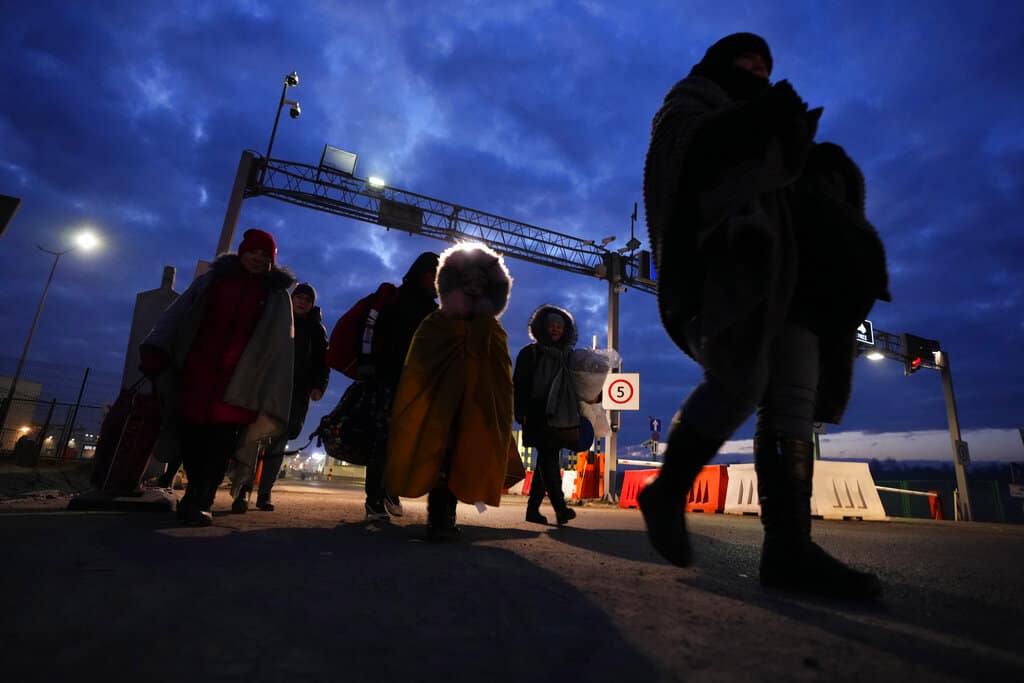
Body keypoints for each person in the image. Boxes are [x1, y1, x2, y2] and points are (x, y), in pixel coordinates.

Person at [641, 33, 890, 600]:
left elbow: (793, 194)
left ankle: (788, 549)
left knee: (793, 401)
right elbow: (686, 163)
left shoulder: (777, 127)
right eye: (747, 60)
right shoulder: (689, 104)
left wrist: (823, 172)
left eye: (765, 65)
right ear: (718, 64)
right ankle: (668, 489)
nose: (758, 70)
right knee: (741, 378)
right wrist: (762, 126)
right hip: (728, 271)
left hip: (794, 282)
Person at [140, 228, 295, 526]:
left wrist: (270, 385)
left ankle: (203, 499)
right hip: (197, 373)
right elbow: (178, 314)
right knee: (191, 435)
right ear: (242, 252)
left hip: (242, 382)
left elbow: (280, 346)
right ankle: (194, 492)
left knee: (221, 442)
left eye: (265, 255)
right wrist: (156, 347)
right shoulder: (213, 281)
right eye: (253, 252)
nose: (258, 258)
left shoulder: (276, 296)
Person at [384, 243, 518, 541]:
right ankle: (440, 521)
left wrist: (492, 412)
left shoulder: (493, 330)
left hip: (474, 409)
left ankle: (446, 518)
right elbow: (418, 367)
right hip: (439, 408)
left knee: (462, 459)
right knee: (440, 460)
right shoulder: (436, 322)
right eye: (467, 280)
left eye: (480, 282)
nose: (473, 287)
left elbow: (500, 380)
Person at [232, 281, 328, 512]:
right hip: (267, 388)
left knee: (277, 444)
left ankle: (265, 493)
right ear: (291, 299)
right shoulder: (278, 320)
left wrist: (318, 386)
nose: (302, 302)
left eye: (307, 300)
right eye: (299, 297)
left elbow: (322, 362)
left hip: (295, 394)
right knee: (254, 439)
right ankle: (243, 490)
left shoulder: (316, 330)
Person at [359, 252, 439, 521]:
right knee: (383, 439)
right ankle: (374, 499)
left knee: (405, 440)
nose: (436, 280)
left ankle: (390, 489)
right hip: (387, 378)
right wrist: (367, 361)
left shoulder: (434, 311)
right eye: (433, 274)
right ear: (421, 273)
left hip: (416, 385)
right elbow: (370, 328)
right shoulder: (395, 298)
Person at [513, 305, 580, 526]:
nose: (556, 329)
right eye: (552, 325)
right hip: (537, 412)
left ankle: (533, 510)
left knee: (546, 460)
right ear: (542, 327)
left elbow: (579, 382)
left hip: (561, 414)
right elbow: (519, 384)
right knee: (549, 457)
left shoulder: (569, 356)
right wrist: (520, 410)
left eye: (560, 326)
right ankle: (561, 508)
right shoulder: (530, 353)